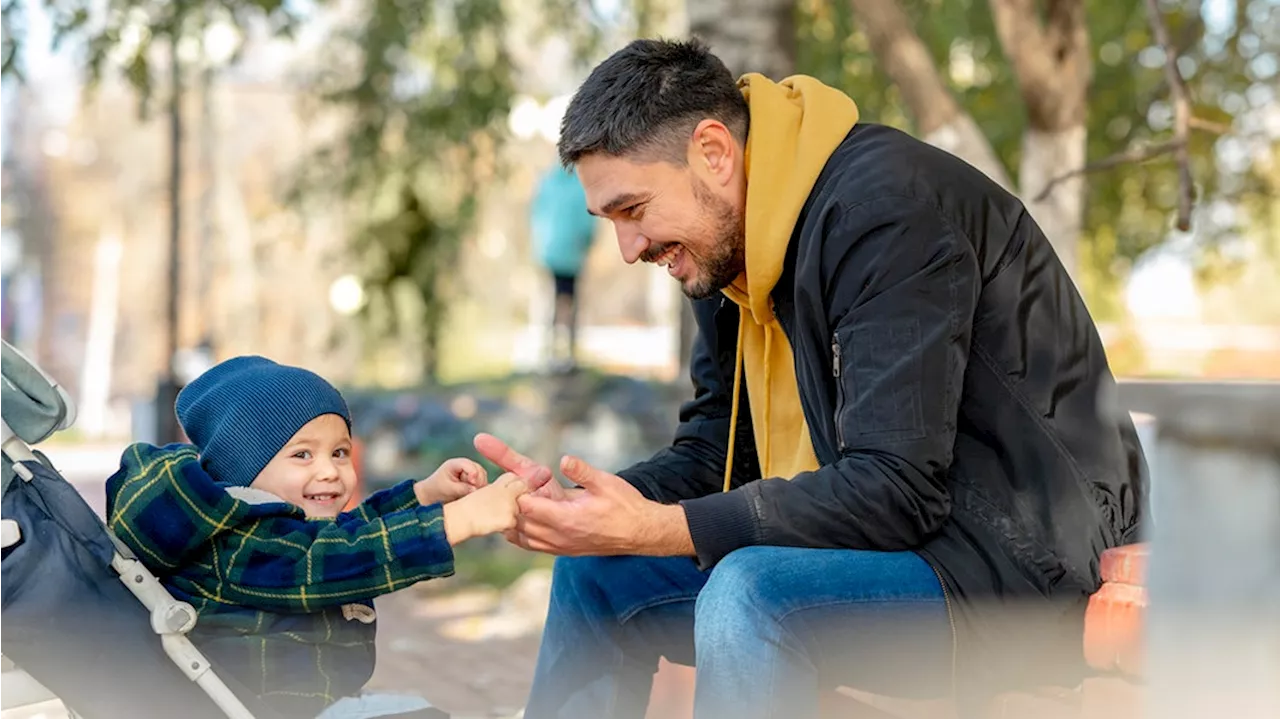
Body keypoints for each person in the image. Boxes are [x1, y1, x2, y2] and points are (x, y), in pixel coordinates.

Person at [474, 37, 1148, 719]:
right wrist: (587, 511)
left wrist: (657, 527)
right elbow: (717, 453)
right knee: (595, 569)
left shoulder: (885, 213)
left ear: (713, 152)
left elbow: (896, 490)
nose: (628, 248)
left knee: (752, 591)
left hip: (1018, 566)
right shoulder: (727, 245)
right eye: (609, 220)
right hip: (901, 548)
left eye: (634, 209)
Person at [106, 356, 535, 718]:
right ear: (243, 469)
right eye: (302, 455)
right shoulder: (234, 546)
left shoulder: (271, 525)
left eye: (340, 452)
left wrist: (424, 496)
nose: (329, 470)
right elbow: (337, 557)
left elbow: (349, 532)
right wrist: (457, 521)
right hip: (270, 707)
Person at [529, 163, 597, 372]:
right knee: (569, 302)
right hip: (571, 253)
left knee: (551, 301)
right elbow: (588, 221)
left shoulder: (546, 182)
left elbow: (534, 214)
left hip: (547, 252)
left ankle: (549, 351)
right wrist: (586, 244)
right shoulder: (580, 186)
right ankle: (567, 354)